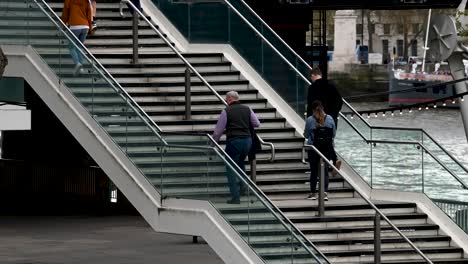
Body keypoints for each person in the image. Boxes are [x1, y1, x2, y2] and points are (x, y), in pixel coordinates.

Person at [212, 91, 260, 204]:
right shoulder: (247, 109)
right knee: (240, 162)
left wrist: (213, 143)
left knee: (230, 168)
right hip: (248, 142)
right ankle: (243, 185)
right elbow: (256, 123)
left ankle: (235, 197)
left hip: (234, 141)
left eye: (226, 99)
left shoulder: (226, 111)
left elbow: (218, 131)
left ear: (229, 99)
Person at [306, 67, 342, 174]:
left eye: (311, 77)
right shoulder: (331, 86)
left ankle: (323, 166)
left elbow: (310, 105)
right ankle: (332, 161)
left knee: (317, 143)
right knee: (329, 140)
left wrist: (310, 120)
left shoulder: (312, 88)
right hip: (330, 119)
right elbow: (339, 101)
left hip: (316, 120)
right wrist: (333, 115)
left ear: (313, 76)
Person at [304, 100, 336, 201]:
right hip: (326, 149)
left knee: (314, 171)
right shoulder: (330, 118)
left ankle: (313, 193)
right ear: (322, 108)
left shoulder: (310, 120)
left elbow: (305, 134)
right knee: (325, 171)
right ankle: (324, 193)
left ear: (313, 110)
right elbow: (333, 134)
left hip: (313, 149)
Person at [61, 0, 93, 76]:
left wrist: (62, 24)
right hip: (85, 26)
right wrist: (90, 28)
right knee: (79, 47)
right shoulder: (86, 1)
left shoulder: (69, 0)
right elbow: (89, 15)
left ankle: (77, 63)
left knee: (71, 47)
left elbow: (65, 14)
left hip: (75, 25)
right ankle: (81, 69)